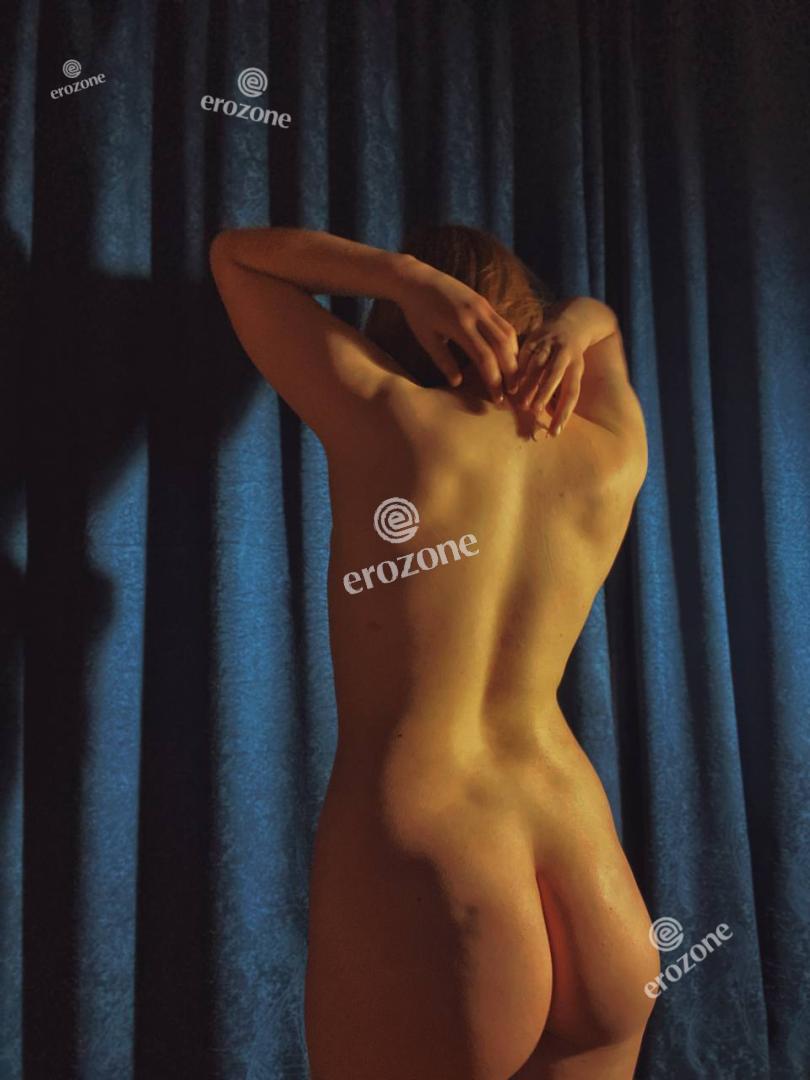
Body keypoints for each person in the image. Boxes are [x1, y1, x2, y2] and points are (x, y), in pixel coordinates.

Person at [209, 222, 660, 1080]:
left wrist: (403, 279)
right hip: (584, 856)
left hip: (437, 855)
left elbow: (237, 256)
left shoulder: (388, 413)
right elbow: (602, 326)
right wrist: (571, 330)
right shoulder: (608, 456)